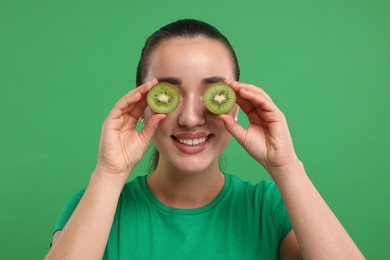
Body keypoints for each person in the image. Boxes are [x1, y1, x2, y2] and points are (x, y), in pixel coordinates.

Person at [45, 19, 365, 259]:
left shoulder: (271, 208)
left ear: (236, 103)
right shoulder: (96, 204)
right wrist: (109, 173)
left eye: (213, 93)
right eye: (168, 93)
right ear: (142, 104)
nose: (190, 118)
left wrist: (286, 166)